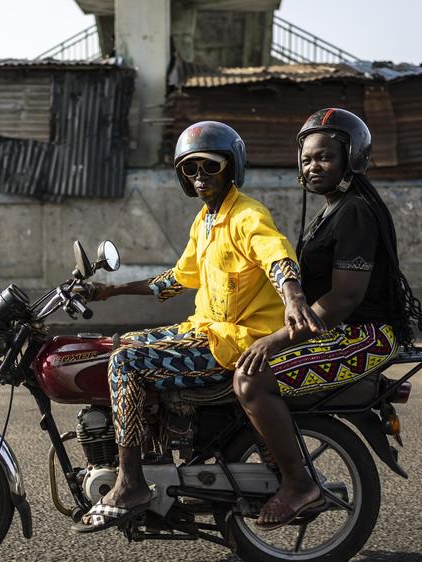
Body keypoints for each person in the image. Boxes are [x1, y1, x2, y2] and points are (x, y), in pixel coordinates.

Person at [71, 121, 325, 533]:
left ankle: (131, 483)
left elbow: (275, 253)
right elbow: (176, 279)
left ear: (231, 167)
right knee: (121, 344)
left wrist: (293, 296)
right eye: (190, 170)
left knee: (125, 364)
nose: (200, 177)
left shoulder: (246, 215)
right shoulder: (206, 221)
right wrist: (109, 292)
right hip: (205, 329)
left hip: (234, 340)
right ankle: (159, 447)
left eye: (209, 167)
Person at [233, 108, 422, 530]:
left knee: (251, 380)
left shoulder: (355, 212)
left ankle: (298, 484)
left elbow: (344, 298)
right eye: (307, 159)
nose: (313, 166)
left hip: (363, 336)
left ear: (353, 158)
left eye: (325, 157)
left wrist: (277, 340)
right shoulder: (330, 211)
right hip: (331, 331)